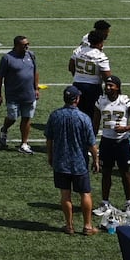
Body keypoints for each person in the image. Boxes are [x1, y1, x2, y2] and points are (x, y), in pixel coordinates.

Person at [45, 84, 99, 235]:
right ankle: (87, 226)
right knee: (85, 193)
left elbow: (49, 139)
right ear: (77, 99)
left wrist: (50, 156)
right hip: (79, 163)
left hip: (61, 162)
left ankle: (69, 226)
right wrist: (95, 160)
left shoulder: (55, 115)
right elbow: (91, 143)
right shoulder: (83, 118)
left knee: (65, 194)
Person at [95, 74, 130, 217]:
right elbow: (95, 122)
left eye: (111, 85)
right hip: (106, 141)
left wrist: (126, 128)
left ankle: (129, 203)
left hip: (122, 141)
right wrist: (92, 141)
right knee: (106, 173)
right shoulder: (100, 101)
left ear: (117, 87)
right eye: (107, 85)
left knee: (125, 173)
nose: (108, 87)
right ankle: (105, 202)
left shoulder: (125, 101)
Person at [0, 35, 39, 153]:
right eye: (25, 45)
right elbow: (0, 77)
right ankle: (4, 129)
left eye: (27, 44)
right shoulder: (7, 58)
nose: (27, 46)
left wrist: (36, 89)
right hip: (13, 95)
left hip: (29, 94)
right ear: (17, 45)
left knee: (26, 118)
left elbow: (35, 72)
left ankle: (24, 143)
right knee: (13, 117)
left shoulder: (31, 55)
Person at [69, 24, 111, 130]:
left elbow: (71, 67)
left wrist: (78, 75)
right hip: (93, 88)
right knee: (93, 115)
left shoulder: (78, 51)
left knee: (78, 112)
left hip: (77, 84)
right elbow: (107, 77)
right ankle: (90, 142)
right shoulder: (100, 56)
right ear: (100, 42)